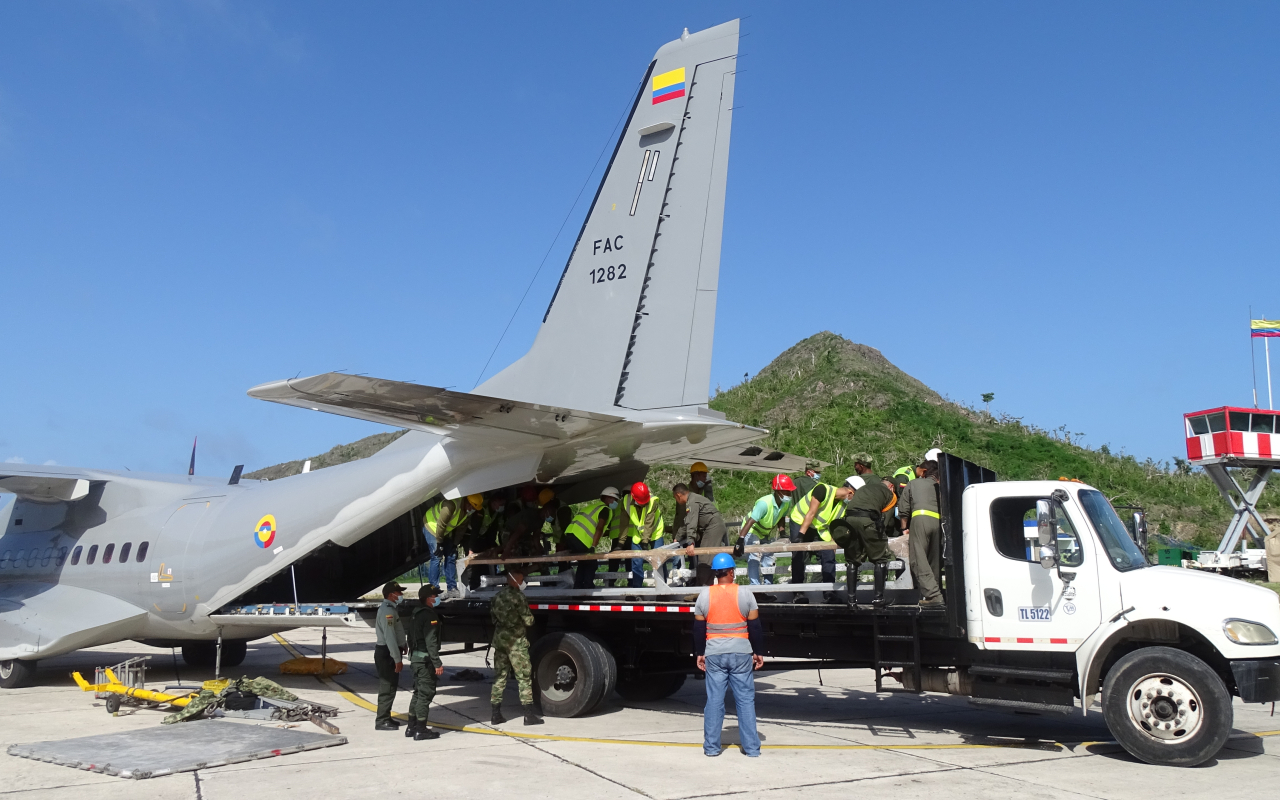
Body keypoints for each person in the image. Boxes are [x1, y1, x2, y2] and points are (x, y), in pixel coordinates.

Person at [694, 552, 764, 757]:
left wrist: (700, 653)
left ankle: (712, 748)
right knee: (745, 700)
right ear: (731, 572)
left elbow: (698, 629)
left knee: (714, 700)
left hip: (714, 653)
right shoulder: (746, 594)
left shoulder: (704, 595)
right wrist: (758, 652)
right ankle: (751, 748)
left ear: (716, 573)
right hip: (741, 653)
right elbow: (756, 627)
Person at [489, 565, 543, 726]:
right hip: (516, 643)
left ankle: (495, 714)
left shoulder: (497, 597)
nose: (523, 582)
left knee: (499, 677)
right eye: (521, 580)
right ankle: (528, 715)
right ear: (514, 581)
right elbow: (528, 620)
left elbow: (493, 619)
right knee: (524, 677)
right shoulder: (518, 597)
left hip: (500, 641)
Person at [833, 474, 896, 607]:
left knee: (852, 560)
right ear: (891, 487)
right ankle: (878, 599)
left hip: (849, 520)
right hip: (868, 520)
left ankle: (851, 600)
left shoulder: (863, 489)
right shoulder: (891, 495)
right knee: (880, 559)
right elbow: (886, 521)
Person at [789, 478, 856, 603]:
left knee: (829, 557)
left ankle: (829, 592)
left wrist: (832, 546)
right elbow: (811, 512)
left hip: (819, 528)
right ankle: (798, 593)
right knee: (798, 555)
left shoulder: (843, 506)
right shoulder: (823, 489)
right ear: (850, 492)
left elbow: (834, 526)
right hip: (800, 521)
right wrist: (800, 536)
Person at [733, 475, 795, 588]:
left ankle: (768, 587)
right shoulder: (764, 503)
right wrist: (740, 539)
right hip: (752, 530)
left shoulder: (786, 503)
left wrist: (782, 532)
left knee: (768, 556)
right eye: (787, 492)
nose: (790, 495)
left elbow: (781, 516)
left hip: (764, 532)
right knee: (754, 556)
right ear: (778, 491)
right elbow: (751, 522)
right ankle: (755, 587)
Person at [899, 459, 944, 607]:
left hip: (921, 519)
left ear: (924, 472)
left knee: (918, 559)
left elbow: (904, 508)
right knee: (934, 561)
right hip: (938, 522)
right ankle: (935, 593)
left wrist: (904, 527)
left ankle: (933, 594)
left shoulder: (914, 483)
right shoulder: (940, 486)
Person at [404, 584, 444, 740]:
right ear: (428, 598)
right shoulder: (429, 615)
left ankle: (411, 727)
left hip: (415, 658)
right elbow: (431, 641)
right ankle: (421, 729)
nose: (436, 598)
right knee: (425, 694)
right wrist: (437, 663)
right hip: (424, 659)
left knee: (418, 693)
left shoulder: (416, 613)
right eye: (434, 596)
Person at [422, 495, 480, 598]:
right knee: (436, 556)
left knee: (452, 556)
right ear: (467, 503)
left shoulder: (466, 513)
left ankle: (452, 588)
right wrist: (439, 543)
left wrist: (454, 544)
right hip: (432, 527)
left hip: (444, 532)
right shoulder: (450, 505)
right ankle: (433, 589)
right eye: (472, 507)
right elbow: (441, 525)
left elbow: (461, 529)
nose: (472, 510)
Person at [563, 487, 621, 588]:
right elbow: (599, 528)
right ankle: (588, 587)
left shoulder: (592, 507)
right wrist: (593, 546)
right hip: (581, 539)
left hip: (569, 536)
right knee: (592, 564)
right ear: (608, 498)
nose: (615, 502)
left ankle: (578, 588)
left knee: (583, 563)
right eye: (615, 499)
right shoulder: (605, 509)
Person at [673, 483, 728, 586]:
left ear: (678, 495)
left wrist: (690, 542)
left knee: (705, 559)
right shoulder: (692, 499)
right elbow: (687, 522)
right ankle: (701, 587)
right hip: (710, 527)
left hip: (713, 527)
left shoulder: (692, 502)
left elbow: (692, 523)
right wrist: (677, 537)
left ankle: (703, 589)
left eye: (675, 498)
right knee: (705, 559)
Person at [373, 581, 408, 731]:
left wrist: (403, 645)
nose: (400, 595)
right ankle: (381, 720)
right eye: (398, 592)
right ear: (390, 594)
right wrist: (397, 659)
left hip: (390, 651)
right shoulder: (387, 611)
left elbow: (397, 632)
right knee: (387, 686)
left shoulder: (391, 609)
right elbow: (389, 637)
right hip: (387, 652)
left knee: (391, 686)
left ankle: (386, 717)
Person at [619, 482, 666, 588]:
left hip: (655, 533)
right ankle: (637, 590)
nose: (643, 503)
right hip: (638, 535)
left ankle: (662, 589)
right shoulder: (626, 501)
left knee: (659, 561)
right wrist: (620, 542)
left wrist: (645, 541)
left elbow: (649, 523)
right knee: (636, 562)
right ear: (633, 497)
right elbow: (624, 523)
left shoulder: (653, 501)